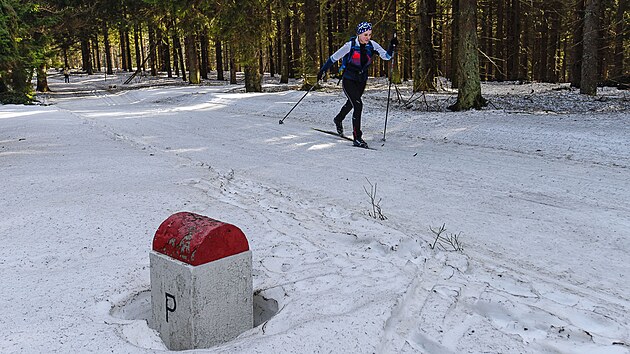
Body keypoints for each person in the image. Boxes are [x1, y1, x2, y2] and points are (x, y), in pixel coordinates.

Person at [318, 22, 398, 148]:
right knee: (358, 105)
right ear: (359, 34)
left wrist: (391, 47)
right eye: (365, 34)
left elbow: (386, 57)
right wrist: (322, 70)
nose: (368, 37)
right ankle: (357, 137)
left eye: (370, 34)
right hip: (348, 79)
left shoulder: (372, 45)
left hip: (361, 80)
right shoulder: (349, 45)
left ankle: (338, 119)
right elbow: (334, 58)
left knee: (352, 103)